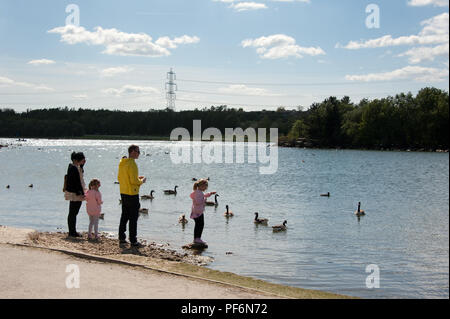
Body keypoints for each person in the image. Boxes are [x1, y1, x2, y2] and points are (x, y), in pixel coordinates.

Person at [117, 145, 146, 246]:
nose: (139, 153)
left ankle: (121, 237)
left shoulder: (122, 163)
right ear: (132, 152)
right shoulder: (132, 164)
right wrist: (141, 181)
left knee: (124, 215)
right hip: (132, 193)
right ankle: (133, 239)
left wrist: (137, 178)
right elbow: (133, 181)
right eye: (138, 151)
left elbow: (121, 177)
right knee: (133, 217)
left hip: (123, 192)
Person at [64, 152, 86, 237]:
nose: (84, 161)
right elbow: (76, 182)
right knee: (73, 213)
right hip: (75, 193)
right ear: (77, 160)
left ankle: (72, 231)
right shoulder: (73, 168)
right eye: (82, 160)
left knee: (73, 213)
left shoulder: (76, 167)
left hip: (75, 192)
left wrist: (82, 165)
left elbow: (79, 178)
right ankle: (72, 232)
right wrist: (80, 193)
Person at [190, 179, 216, 245]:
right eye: (205, 187)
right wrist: (204, 200)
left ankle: (196, 238)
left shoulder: (197, 192)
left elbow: (195, 196)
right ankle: (197, 238)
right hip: (198, 212)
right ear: (201, 186)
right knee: (200, 225)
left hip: (196, 211)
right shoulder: (199, 193)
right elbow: (198, 201)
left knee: (198, 225)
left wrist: (210, 194)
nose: (206, 188)